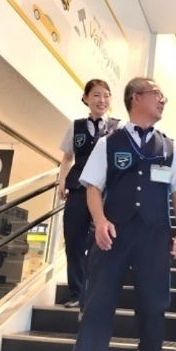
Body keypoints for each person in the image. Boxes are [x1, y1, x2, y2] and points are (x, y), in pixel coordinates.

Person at [64, 77, 176, 351]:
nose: (163, 101)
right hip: (113, 235)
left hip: (154, 236)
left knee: (154, 303)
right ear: (136, 98)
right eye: (158, 95)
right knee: (96, 309)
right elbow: (92, 187)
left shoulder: (171, 147)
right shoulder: (108, 143)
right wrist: (99, 221)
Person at [57, 79, 122, 309]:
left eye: (106, 95)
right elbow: (67, 158)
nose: (101, 100)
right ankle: (77, 292)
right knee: (74, 240)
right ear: (85, 98)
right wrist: (61, 181)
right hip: (77, 189)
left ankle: (98, 292)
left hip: (105, 192)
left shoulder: (118, 127)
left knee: (102, 242)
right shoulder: (75, 126)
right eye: (96, 95)